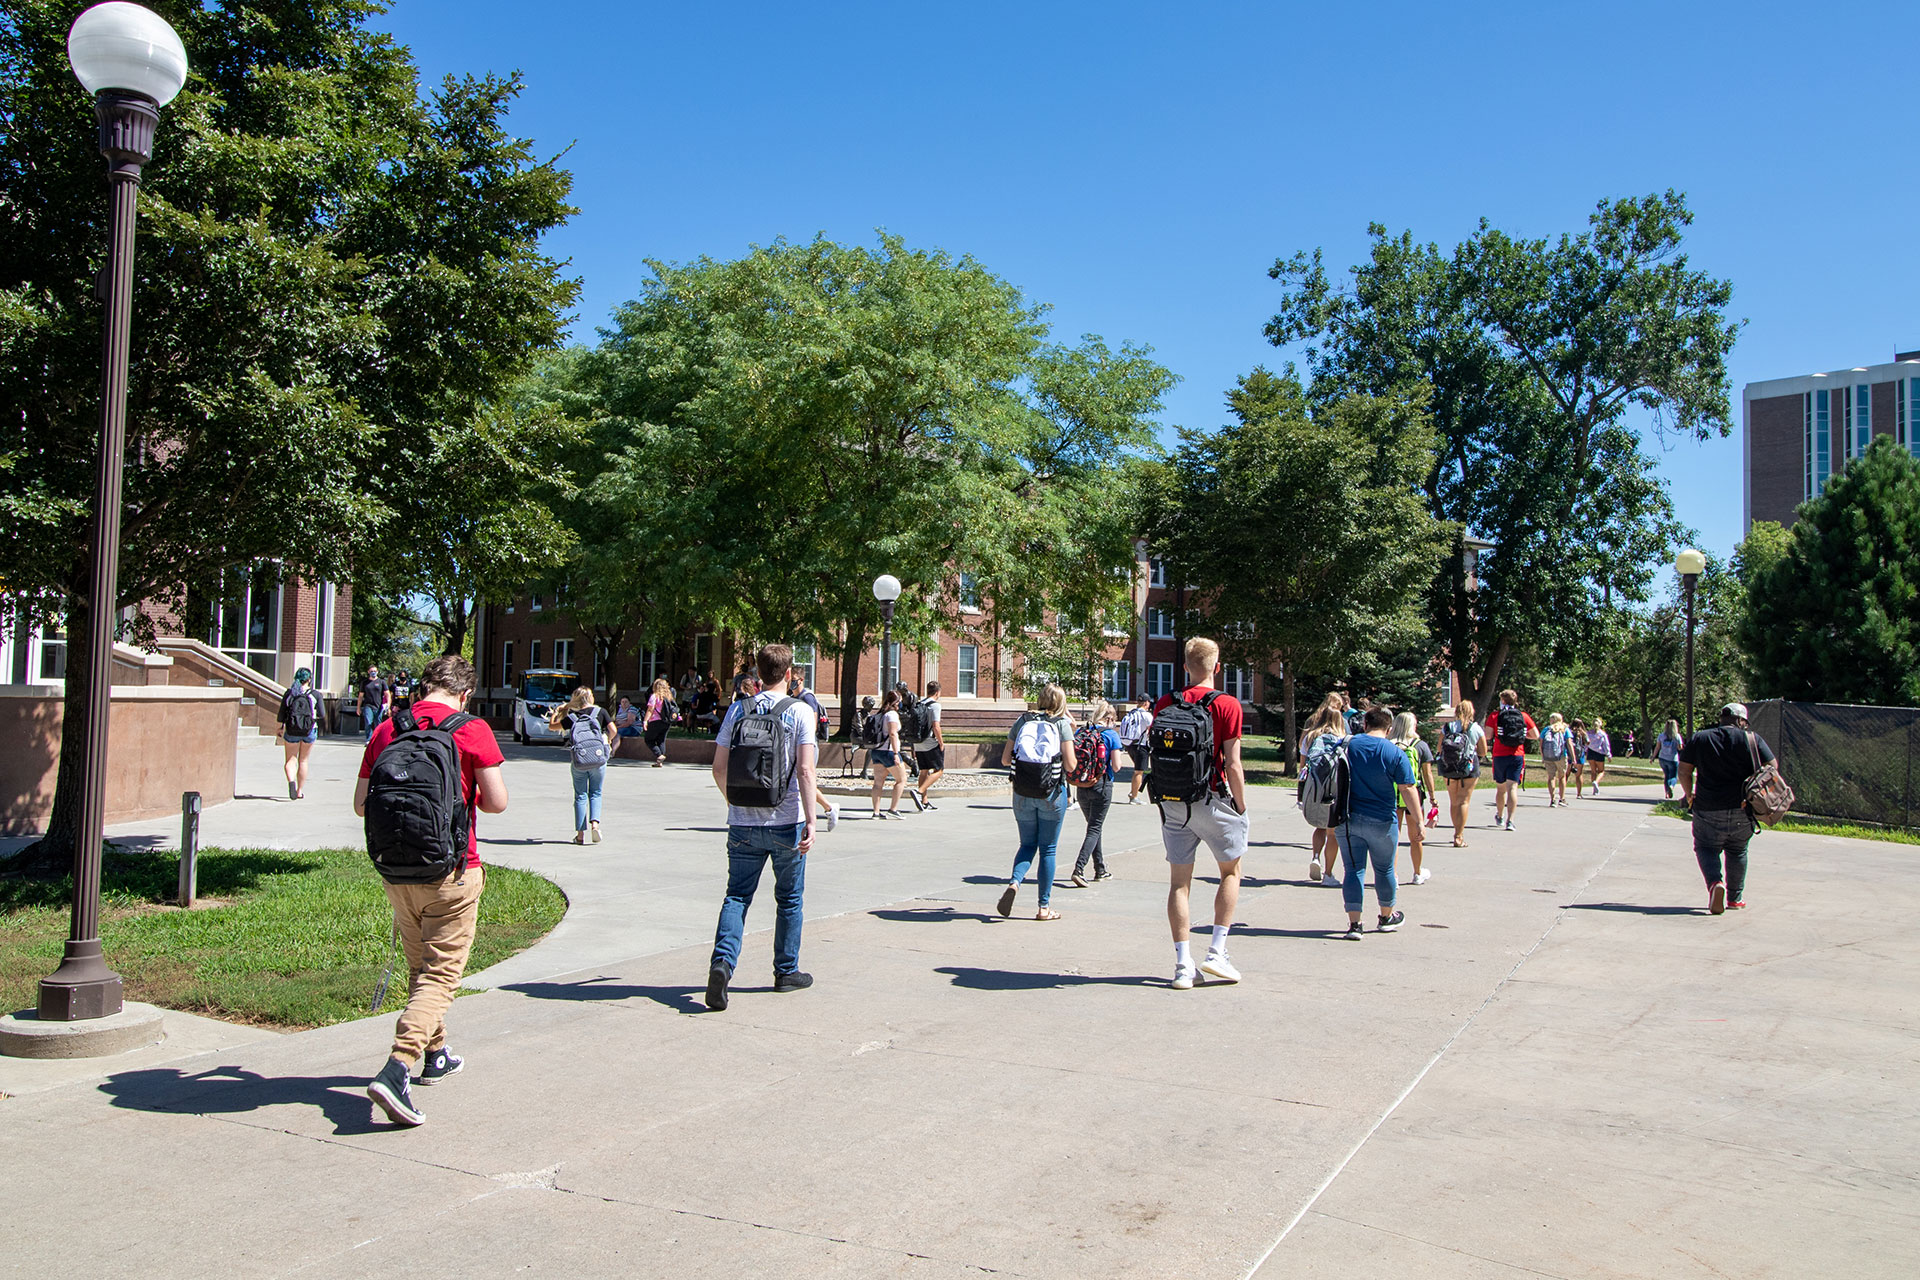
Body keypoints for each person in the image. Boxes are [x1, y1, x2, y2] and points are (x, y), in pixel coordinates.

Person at [358, 654, 507, 1128]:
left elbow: (362, 805)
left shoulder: (387, 729)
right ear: (465, 693)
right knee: (440, 977)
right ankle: (397, 1067)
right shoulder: (471, 728)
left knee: (421, 968)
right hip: (454, 873)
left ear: (424, 687)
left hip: (396, 871)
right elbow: (498, 802)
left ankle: (435, 1054)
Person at [705, 644, 819, 1010]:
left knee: (737, 896)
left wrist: (733, 802)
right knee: (788, 899)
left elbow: (718, 768)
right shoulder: (801, 712)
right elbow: (805, 770)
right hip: (787, 820)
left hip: (742, 822)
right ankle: (786, 971)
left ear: (756, 674)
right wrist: (812, 820)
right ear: (789, 673)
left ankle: (722, 963)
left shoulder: (738, 709)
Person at [1153, 637, 1249, 990]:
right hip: (1213, 797)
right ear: (1217, 667)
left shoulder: (1165, 702)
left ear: (1185, 667)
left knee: (1179, 883)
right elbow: (1234, 764)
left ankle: (1182, 965)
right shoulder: (1227, 704)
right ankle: (1217, 952)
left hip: (1173, 799)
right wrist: (1240, 805)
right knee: (1231, 872)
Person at [1678, 703, 1777, 914]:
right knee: (1738, 850)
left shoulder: (1700, 738)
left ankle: (1715, 884)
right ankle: (1735, 898)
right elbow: (1772, 767)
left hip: (1707, 808)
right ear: (1741, 721)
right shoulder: (1752, 739)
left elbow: (1684, 771)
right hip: (1743, 808)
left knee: (1705, 847)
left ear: (1722, 718)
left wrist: (1689, 795)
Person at [997, 683, 1078, 921]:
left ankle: (1014, 882)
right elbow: (1071, 766)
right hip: (1051, 793)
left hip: (1022, 792)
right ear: (1061, 703)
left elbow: (1004, 760)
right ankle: (1044, 907)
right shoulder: (1062, 725)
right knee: (1048, 849)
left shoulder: (1022, 721)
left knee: (1027, 844)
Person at [1336, 707, 1418, 938]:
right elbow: (1407, 788)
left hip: (1348, 818)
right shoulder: (1393, 752)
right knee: (1385, 869)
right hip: (1383, 821)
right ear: (1389, 728)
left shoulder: (1347, 745)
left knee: (1353, 870)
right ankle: (1386, 917)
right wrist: (1419, 821)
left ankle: (1355, 924)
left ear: (1364, 724)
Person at [1069, 699, 1125, 887]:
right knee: (1095, 827)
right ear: (1110, 718)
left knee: (1094, 827)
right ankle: (1079, 868)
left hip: (1082, 785)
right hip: (1102, 785)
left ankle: (1100, 869)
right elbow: (1116, 767)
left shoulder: (1082, 732)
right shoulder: (1111, 735)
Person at [549, 687, 614, 844]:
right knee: (596, 793)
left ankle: (580, 835)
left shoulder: (572, 717)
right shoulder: (600, 712)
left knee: (580, 795)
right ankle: (595, 826)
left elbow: (552, 726)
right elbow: (613, 730)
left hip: (579, 760)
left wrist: (557, 711)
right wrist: (608, 740)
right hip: (598, 759)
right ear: (590, 697)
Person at [1298, 694, 1350, 885]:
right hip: (1335, 788)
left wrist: (1302, 790)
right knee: (1332, 831)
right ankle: (1328, 873)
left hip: (1314, 786)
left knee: (1319, 825)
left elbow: (1303, 765)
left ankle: (1315, 856)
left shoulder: (1310, 737)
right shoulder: (1342, 739)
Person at [786, 667, 839, 832]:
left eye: (794, 679)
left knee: (804, 779)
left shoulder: (807, 697)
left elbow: (813, 721)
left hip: (808, 744)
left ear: (801, 680)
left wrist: (806, 741)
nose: (791, 682)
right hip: (795, 744)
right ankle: (827, 809)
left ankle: (829, 808)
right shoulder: (792, 697)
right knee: (798, 780)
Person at [1389, 711, 1436, 884]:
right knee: (1416, 834)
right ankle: (1417, 873)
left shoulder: (1388, 745)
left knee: (1394, 836)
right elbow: (1427, 773)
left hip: (1392, 794)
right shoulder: (1420, 745)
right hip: (1414, 794)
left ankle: (1392, 874)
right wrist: (1432, 796)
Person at [1437, 699, 1488, 847]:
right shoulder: (1475, 728)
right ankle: (1459, 835)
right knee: (1464, 801)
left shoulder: (1448, 727)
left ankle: (1456, 831)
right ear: (1471, 712)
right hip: (1469, 767)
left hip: (1449, 767)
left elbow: (1440, 748)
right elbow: (1483, 751)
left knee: (1454, 801)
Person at [1487, 689, 1539, 831]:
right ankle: (1511, 820)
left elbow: (1487, 735)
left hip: (1499, 754)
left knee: (1501, 788)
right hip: (1517, 754)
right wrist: (1520, 736)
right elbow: (1535, 735)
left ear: (1502, 701)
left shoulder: (1495, 716)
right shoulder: (1523, 716)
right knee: (1512, 788)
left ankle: (1500, 815)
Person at [276, 666, 322, 800]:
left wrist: (280, 727)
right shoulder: (315, 694)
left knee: (290, 760)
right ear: (309, 679)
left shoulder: (290, 693)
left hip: (291, 729)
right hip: (309, 730)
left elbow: (282, 712)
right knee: (303, 760)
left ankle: (291, 781)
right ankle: (299, 791)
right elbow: (322, 714)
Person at [868, 688, 909, 819]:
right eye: (900, 701)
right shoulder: (892, 715)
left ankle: (876, 812)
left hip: (877, 751)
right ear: (896, 702)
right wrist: (896, 753)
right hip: (889, 751)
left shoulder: (881, 714)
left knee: (878, 782)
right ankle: (893, 808)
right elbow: (893, 733)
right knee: (901, 780)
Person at [912, 679, 946, 809]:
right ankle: (919, 791)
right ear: (937, 693)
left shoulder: (919, 704)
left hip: (918, 742)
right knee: (939, 770)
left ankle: (924, 801)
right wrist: (941, 742)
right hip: (930, 742)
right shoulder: (935, 705)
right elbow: (936, 726)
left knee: (923, 771)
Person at [1119, 694, 1154, 804]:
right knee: (1139, 772)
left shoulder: (1132, 713)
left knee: (1138, 770)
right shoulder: (1146, 715)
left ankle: (1133, 794)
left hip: (1130, 744)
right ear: (1146, 703)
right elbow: (1152, 727)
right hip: (1141, 745)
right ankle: (1134, 796)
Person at [1540, 713, 1574, 807]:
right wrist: (1573, 757)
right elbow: (1569, 743)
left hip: (1548, 756)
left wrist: (1543, 756)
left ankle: (1552, 799)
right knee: (1562, 776)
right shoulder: (1564, 729)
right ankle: (1562, 798)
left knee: (1551, 777)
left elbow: (1541, 743)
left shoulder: (1546, 729)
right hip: (1561, 756)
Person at [642, 678, 676, 766]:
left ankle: (659, 755)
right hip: (666, 722)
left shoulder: (654, 696)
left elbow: (650, 710)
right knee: (661, 740)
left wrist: (645, 721)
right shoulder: (669, 697)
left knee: (648, 739)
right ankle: (659, 762)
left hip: (655, 721)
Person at [358, 666, 390, 742]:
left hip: (378, 706)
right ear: (368, 672)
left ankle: (377, 739)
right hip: (368, 705)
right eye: (371, 671)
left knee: (378, 723)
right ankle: (369, 739)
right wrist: (358, 707)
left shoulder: (381, 682)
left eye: (375, 671)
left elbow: (387, 694)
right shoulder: (365, 683)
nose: (373, 672)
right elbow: (360, 696)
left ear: (377, 672)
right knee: (368, 722)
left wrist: (388, 705)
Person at [1584, 716, 1614, 796]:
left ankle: (1594, 789)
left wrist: (1585, 751)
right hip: (1599, 753)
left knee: (1593, 771)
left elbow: (1586, 743)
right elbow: (1606, 745)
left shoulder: (1588, 733)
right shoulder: (1602, 734)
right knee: (1601, 771)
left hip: (1590, 752)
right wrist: (1608, 754)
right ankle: (1596, 782)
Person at [1656, 718, 1684, 799]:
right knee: (1673, 776)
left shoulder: (1661, 736)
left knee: (1666, 775)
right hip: (1673, 759)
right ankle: (1671, 786)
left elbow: (1657, 747)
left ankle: (1666, 793)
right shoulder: (1677, 736)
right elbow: (1680, 748)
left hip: (1662, 758)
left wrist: (1653, 757)